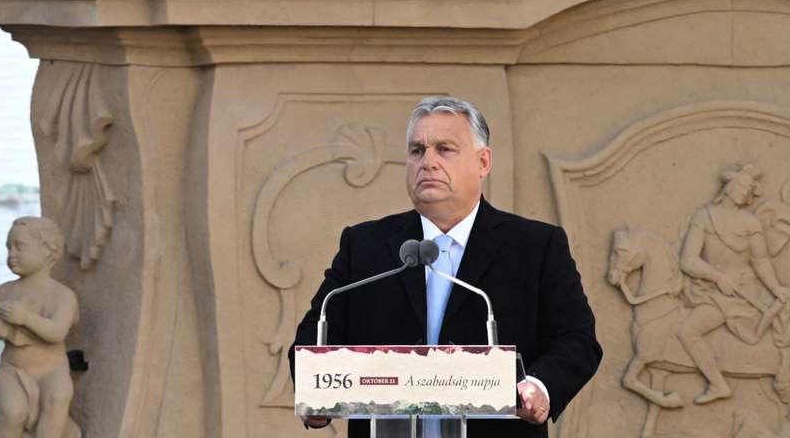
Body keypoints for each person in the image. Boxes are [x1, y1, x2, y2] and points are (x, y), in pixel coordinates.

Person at [290, 96, 601, 437]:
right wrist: (317, 398)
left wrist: (539, 387)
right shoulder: (365, 245)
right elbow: (314, 336)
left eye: (445, 149)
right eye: (417, 151)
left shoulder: (535, 246)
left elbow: (577, 340)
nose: (428, 162)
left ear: (483, 162)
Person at [677, 164, 790, 404]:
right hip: (712, 291)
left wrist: (776, 288)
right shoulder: (704, 217)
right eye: (741, 185)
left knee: (688, 331)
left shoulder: (751, 223)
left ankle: (719, 384)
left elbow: (761, 262)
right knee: (686, 329)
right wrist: (717, 278)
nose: (744, 191)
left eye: (748, 189)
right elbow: (688, 260)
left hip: (743, 293)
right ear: (728, 186)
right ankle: (718, 383)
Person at [0, 216, 82, 438]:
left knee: (58, 398)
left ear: (47, 251)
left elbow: (57, 332)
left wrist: (25, 318)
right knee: (13, 412)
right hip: (12, 370)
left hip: (51, 369)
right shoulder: (4, 291)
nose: (11, 254)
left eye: (19, 247)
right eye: (8, 248)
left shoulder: (62, 295)